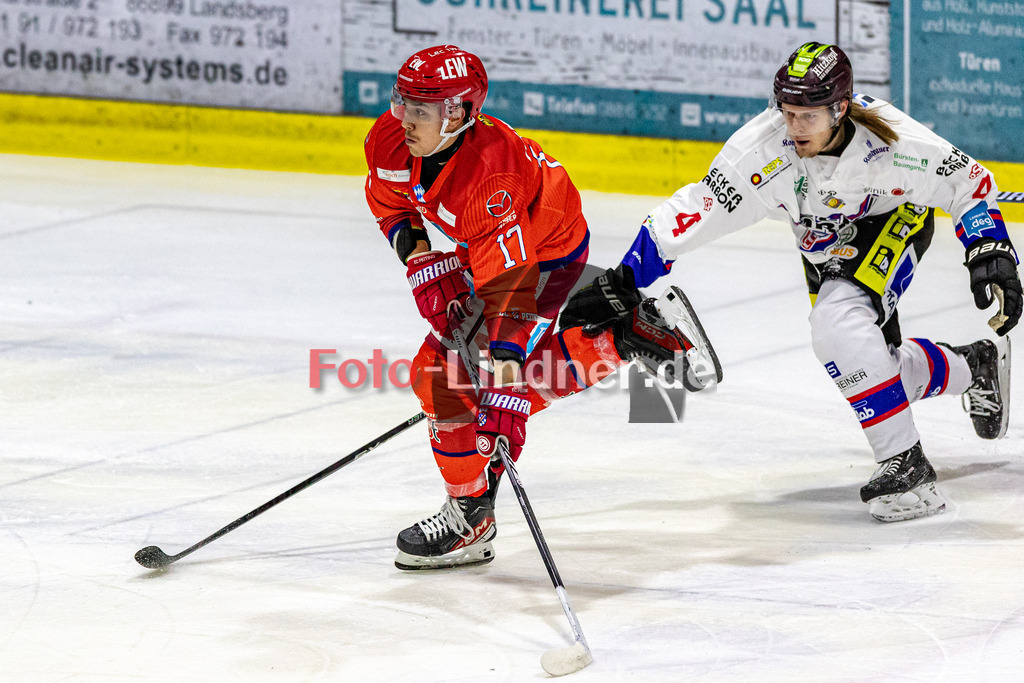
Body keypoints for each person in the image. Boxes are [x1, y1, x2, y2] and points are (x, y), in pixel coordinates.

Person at [562, 42, 1020, 523]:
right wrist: (623, 281)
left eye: (807, 115)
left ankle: (908, 470)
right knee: (870, 366)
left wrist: (990, 252)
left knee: (839, 325)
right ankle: (972, 365)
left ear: (840, 109)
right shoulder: (760, 154)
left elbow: (968, 183)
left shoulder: (893, 148)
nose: (793, 126)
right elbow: (694, 212)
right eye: (787, 112)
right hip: (821, 243)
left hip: (893, 218)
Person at [363, 45, 707, 569]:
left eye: (420, 110)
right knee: (466, 382)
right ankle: (622, 338)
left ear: (457, 113)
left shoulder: (489, 180)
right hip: (487, 249)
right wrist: (422, 260)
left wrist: (504, 383)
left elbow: (512, 294)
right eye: (402, 102)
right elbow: (389, 203)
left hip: (545, 254)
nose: (404, 119)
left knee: (444, 377)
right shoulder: (389, 140)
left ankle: (470, 520)